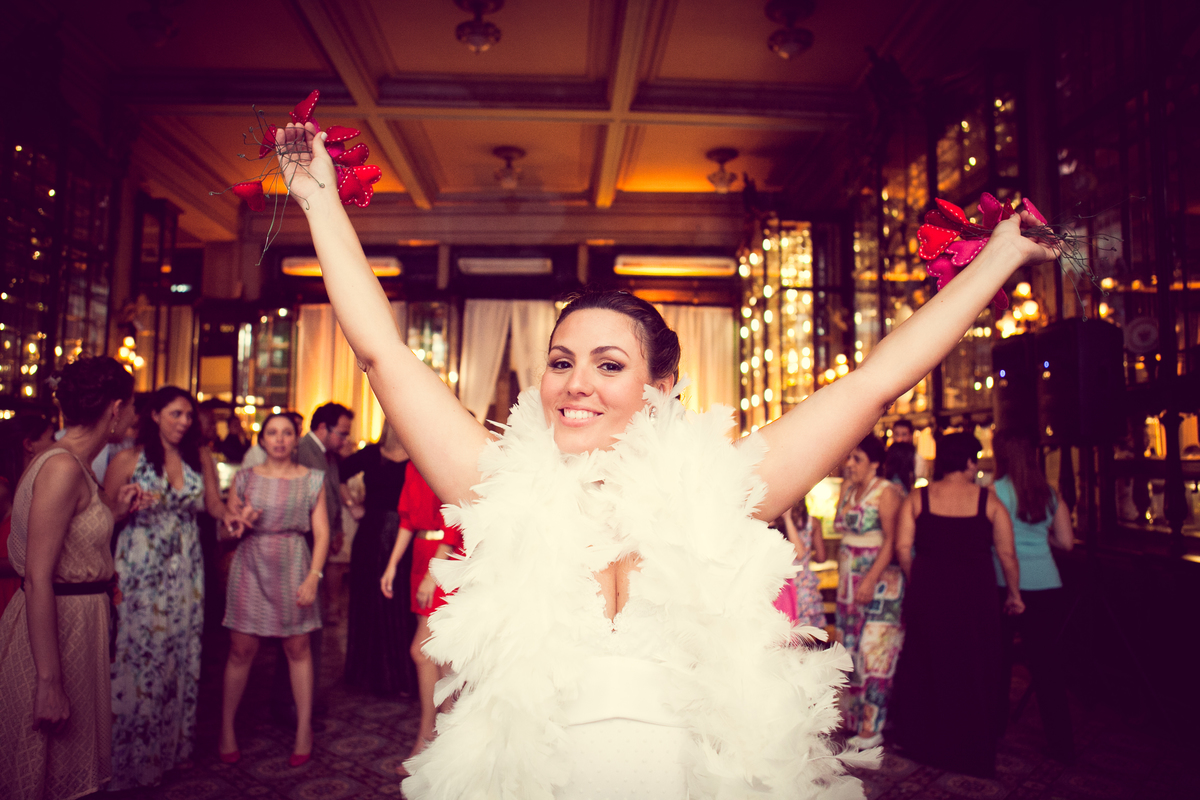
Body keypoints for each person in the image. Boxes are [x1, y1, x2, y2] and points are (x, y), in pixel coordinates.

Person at [275, 120, 1059, 797]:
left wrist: (1000, 258)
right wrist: (316, 197)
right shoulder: (495, 481)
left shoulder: (721, 488)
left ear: (661, 386)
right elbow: (380, 352)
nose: (575, 384)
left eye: (609, 365)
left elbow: (874, 383)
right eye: (561, 361)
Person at [0, 358, 139, 800]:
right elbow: (39, 578)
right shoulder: (61, 466)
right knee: (37, 766)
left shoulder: (77, 464)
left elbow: (71, 542)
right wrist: (48, 681)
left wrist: (113, 514)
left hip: (80, 624)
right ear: (115, 408)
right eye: (133, 405)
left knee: (60, 769)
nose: (135, 415)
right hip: (56, 629)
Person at [104, 386, 243, 790]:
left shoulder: (199, 459)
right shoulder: (127, 459)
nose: (185, 422)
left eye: (188, 415)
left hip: (186, 570)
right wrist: (124, 505)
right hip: (139, 567)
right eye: (176, 414)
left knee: (179, 654)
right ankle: (129, 756)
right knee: (138, 655)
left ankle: (170, 750)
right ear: (154, 415)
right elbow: (103, 517)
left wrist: (230, 518)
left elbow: (213, 505)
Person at [889, 432, 1023, 777]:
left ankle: (925, 742)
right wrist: (1014, 594)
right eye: (975, 460)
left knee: (927, 660)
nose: (976, 467)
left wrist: (917, 576)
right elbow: (1006, 553)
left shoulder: (918, 499)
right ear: (967, 462)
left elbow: (903, 548)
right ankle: (971, 746)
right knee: (975, 663)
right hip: (975, 595)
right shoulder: (988, 501)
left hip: (928, 591)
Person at [219, 412, 329, 766]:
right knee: (240, 650)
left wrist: (314, 575)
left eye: (286, 433)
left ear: (296, 439)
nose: (280, 439)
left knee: (298, 648)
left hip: (294, 562)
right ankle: (226, 729)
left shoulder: (313, 479)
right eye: (272, 433)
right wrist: (238, 524)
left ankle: (302, 731)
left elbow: (323, 533)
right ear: (262, 439)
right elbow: (226, 532)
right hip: (251, 563)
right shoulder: (244, 478)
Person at [991, 431, 1075, 760]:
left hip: (1003, 584)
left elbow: (991, 541)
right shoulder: (1050, 493)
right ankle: (1063, 745)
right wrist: (1040, 541)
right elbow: (1066, 543)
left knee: (998, 663)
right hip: (1047, 585)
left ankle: (994, 732)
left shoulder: (992, 493)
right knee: (1046, 668)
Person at [268, 402, 348, 725]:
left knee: (308, 631)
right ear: (323, 428)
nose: (345, 439)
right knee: (297, 631)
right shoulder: (303, 451)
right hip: (301, 548)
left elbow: (331, 497)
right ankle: (292, 703)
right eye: (341, 433)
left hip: (318, 545)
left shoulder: (328, 455)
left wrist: (337, 528)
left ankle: (304, 700)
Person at [381, 462, 463, 766]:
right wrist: (392, 564)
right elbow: (406, 520)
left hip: (446, 558)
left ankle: (429, 734)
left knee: (423, 650)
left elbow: (457, 521)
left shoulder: (446, 461)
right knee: (438, 657)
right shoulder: (413, 466)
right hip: (420, 555)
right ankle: (445, 736)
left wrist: (434, 573)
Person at [833, 434, 904, 749]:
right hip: (848, 583)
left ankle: (872, 727)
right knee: (852, 651)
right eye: (849, 458)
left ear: (875, 462)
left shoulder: (886, 493)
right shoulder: (847, 490)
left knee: (876, 651)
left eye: (857, 459)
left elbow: (892, 539)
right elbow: (840, 527)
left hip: (878, 583)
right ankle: (856, 719)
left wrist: (870, 579)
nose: (850, 464)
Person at [341, 423, 415, 696]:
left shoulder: (418, 455)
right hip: (371, 534)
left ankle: (398, 675)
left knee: (398, 601)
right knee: (368, 599)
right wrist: (351, 505)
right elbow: (336, 473)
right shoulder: (371, 454)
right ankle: (367, 672)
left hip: (403, 535)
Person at [0, 412, 58, 615]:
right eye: (52, 437)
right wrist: (38, 565)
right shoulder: (3, 490)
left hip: (31, 592)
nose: (57, 444)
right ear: (29, 445)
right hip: (8, 593)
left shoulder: (32, 486)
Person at [780, 498, 827, 629]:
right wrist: (809, 556)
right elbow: (822, 557)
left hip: (785, 584)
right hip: (805, 583)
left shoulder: (779, 521)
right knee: (807, 634)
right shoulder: (813, 523)